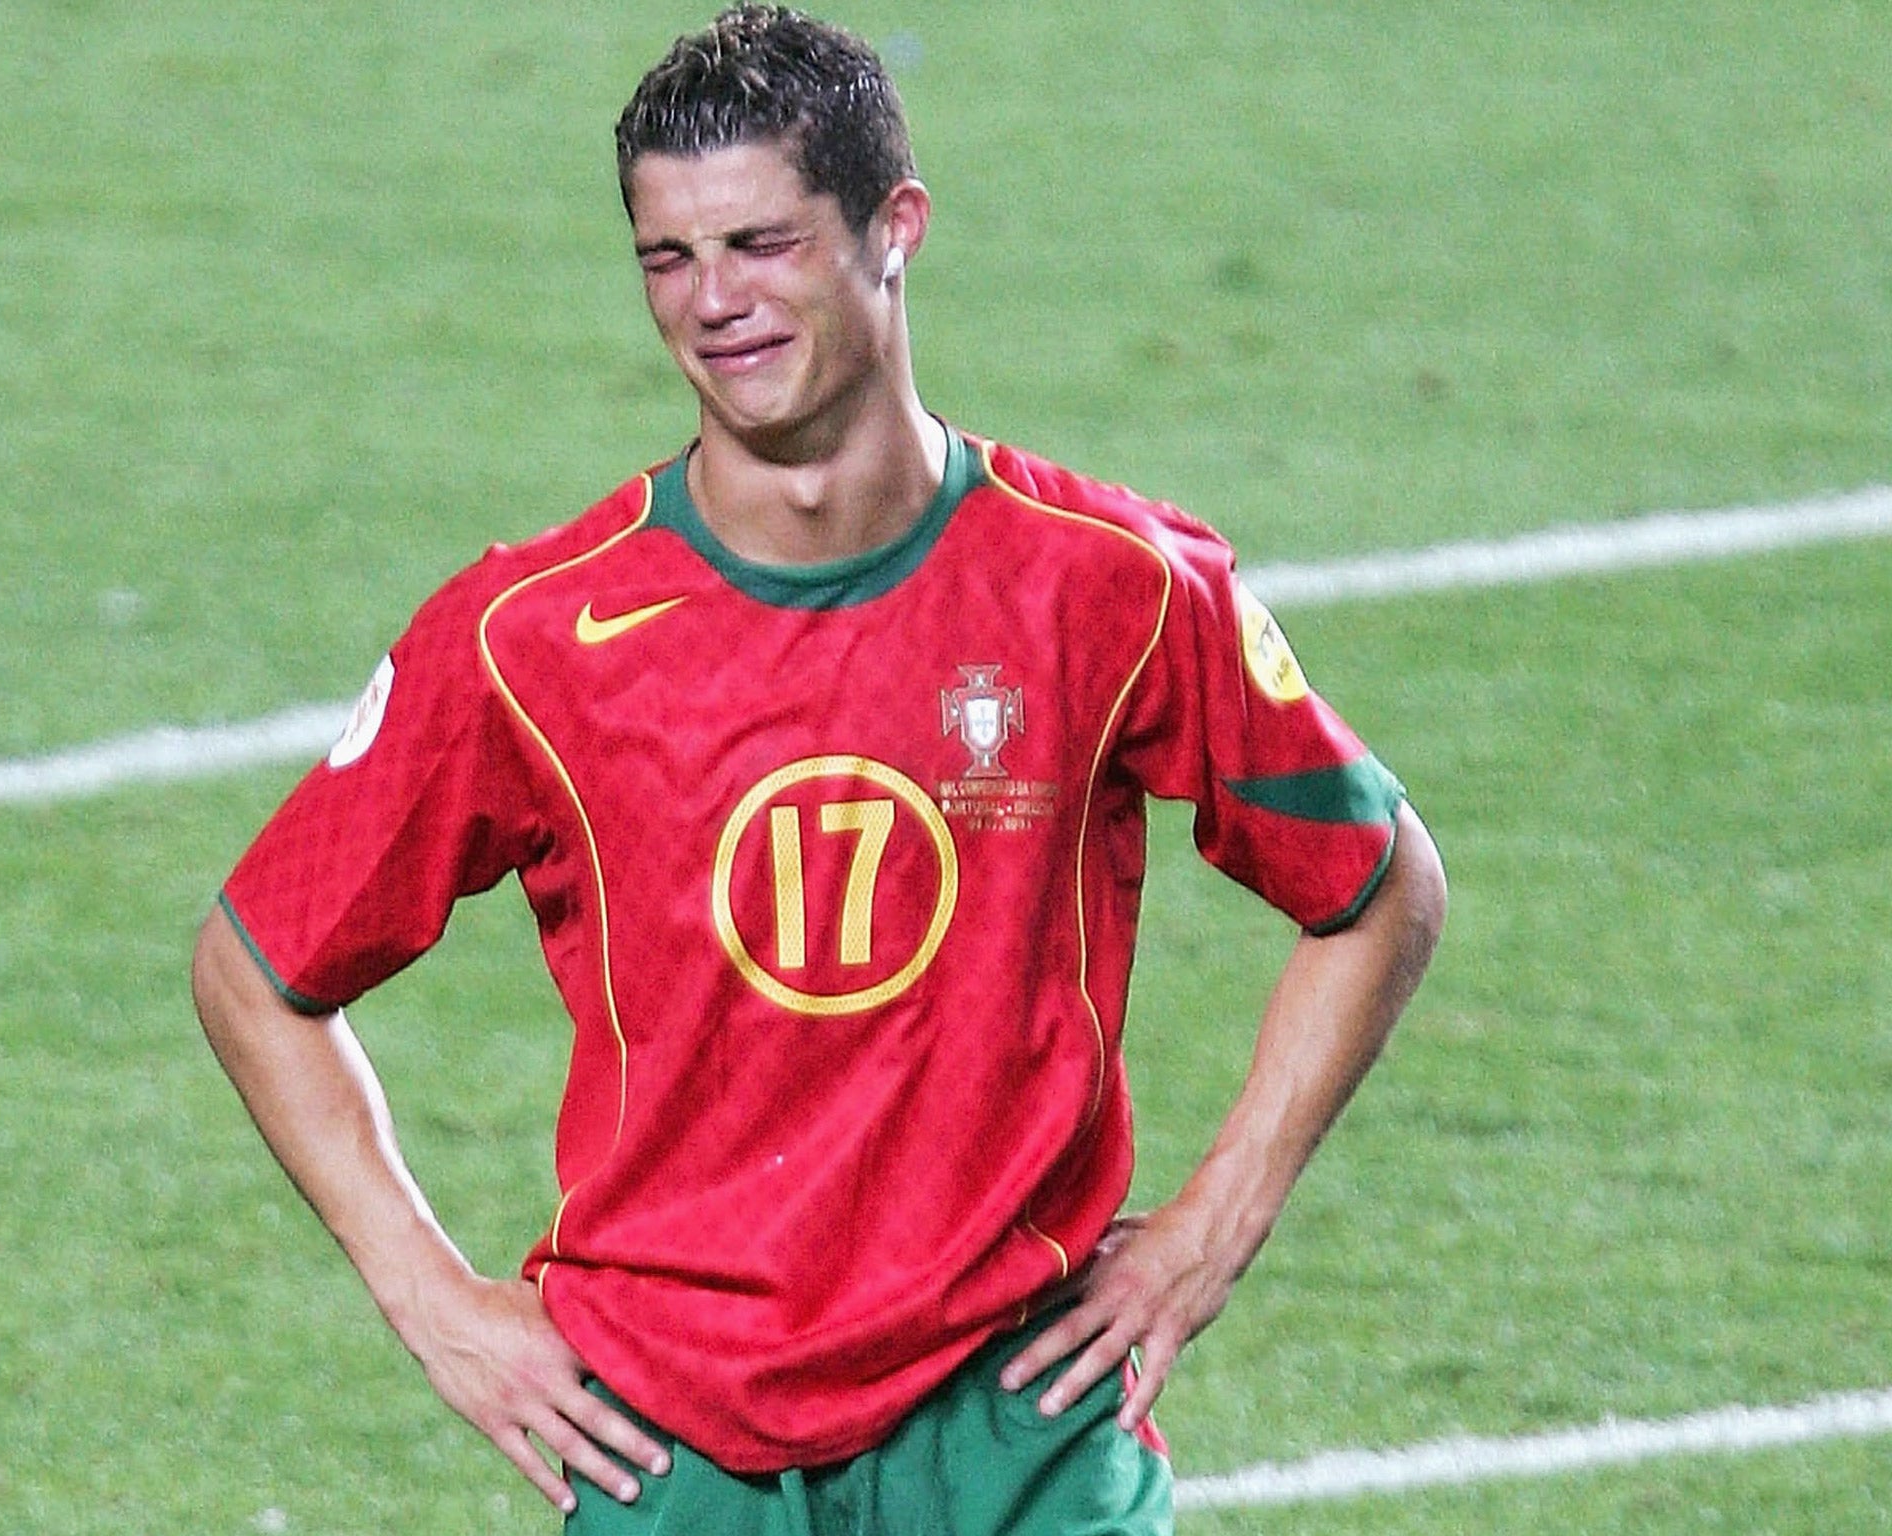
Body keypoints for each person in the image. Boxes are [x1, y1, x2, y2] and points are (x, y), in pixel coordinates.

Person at [191, 6, 1447, 1531]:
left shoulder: (1106, 584)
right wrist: (434, 1301)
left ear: (894, 226)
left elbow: (1378, 890)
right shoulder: (532, 637)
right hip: (669, 1450)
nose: (715, 301)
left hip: (1020, 1429)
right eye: (670, 257)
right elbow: (256, 969)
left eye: (763, 244)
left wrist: (1211, 1227)